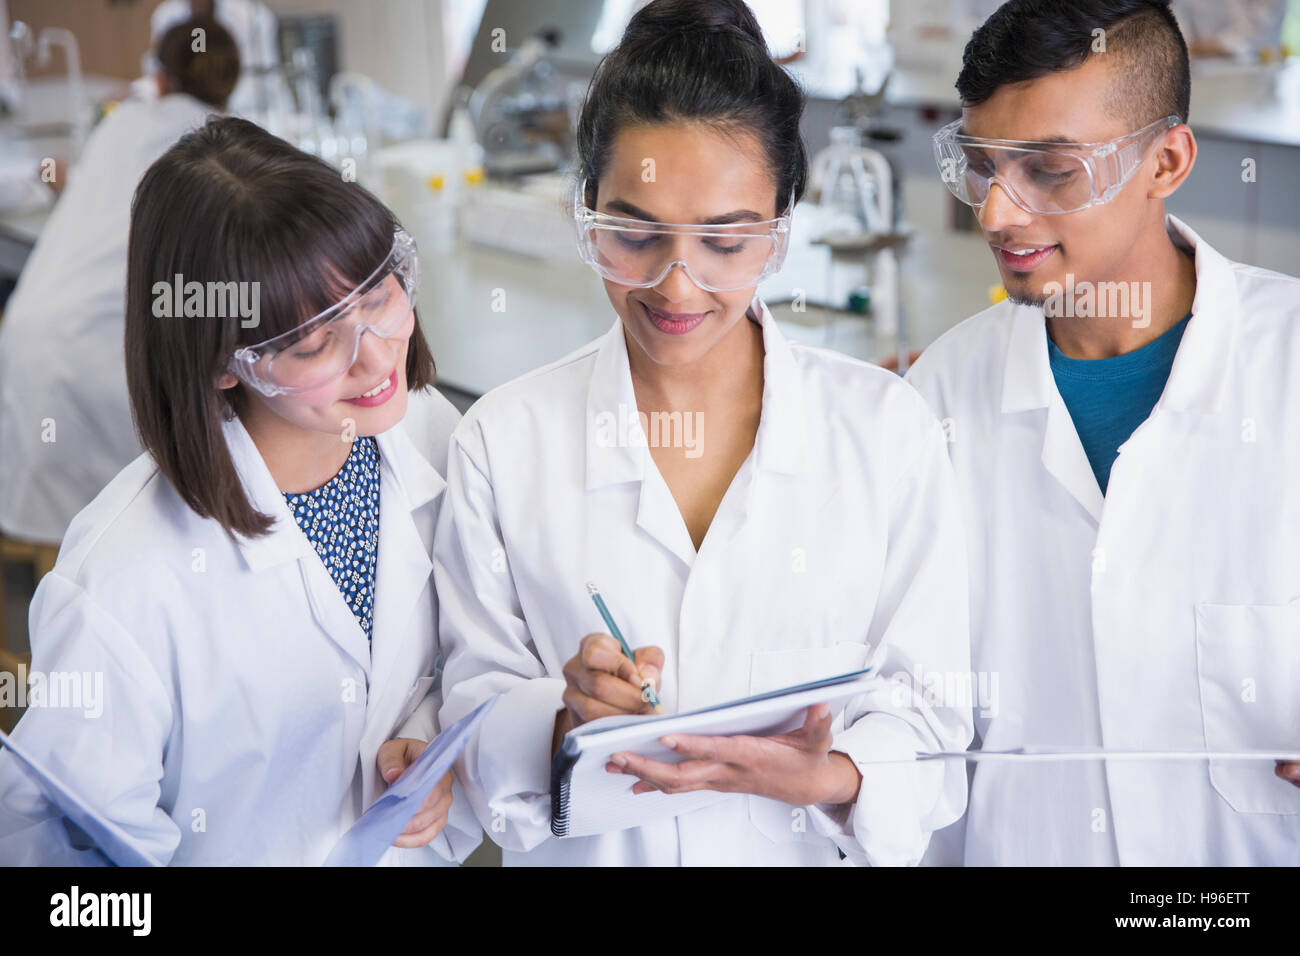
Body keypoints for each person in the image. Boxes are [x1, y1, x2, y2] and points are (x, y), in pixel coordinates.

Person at [435, 0, 972, 867]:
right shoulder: (503, 443)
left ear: (783, 231)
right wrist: (563, 720)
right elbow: (473, 725)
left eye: (726, 242)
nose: (677, 288)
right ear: (586, 208)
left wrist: (833, 775)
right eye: (635, 234)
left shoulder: (885, 434)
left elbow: (935, 723)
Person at [0, 116, 480, 866]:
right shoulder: (123, 583)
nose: (376, 355)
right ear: (223, 360)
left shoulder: (426, 433)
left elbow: (445, 654)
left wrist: (425, 739)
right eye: (317, 341)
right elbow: (62, 866)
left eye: (379, 293)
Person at [907, 0, 1300, 865]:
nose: (1000, 215)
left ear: (1167, 160)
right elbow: (907, 716)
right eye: (982, 166)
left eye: (1051, 170)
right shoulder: (939, 393)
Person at [0, 17, 237, 548]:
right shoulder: (221, 145)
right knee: (158, 511)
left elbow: (86, 186)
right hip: (92, 358)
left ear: (157, 77)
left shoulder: (123, 120)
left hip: (25, 335)